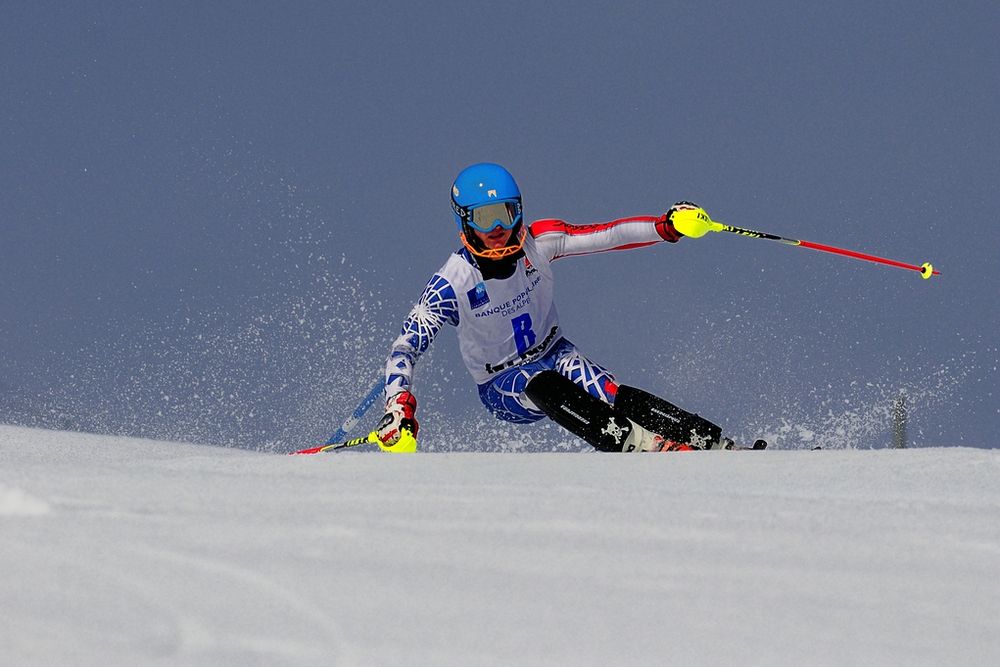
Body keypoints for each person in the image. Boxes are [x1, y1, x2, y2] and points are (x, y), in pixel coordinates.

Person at [374, 162, 741, 453]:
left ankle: (710, 440)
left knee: (611, 392)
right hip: (503, 383)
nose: (500, 227)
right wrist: (398, 405)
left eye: (506, 212)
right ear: (465, 222)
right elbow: (405, 348)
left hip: (555, 352)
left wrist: (668, 226)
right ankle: (639, 445)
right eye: (486, 218)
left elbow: (609, 234)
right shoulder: (451, 283)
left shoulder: (540, 241)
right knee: (543, 382)